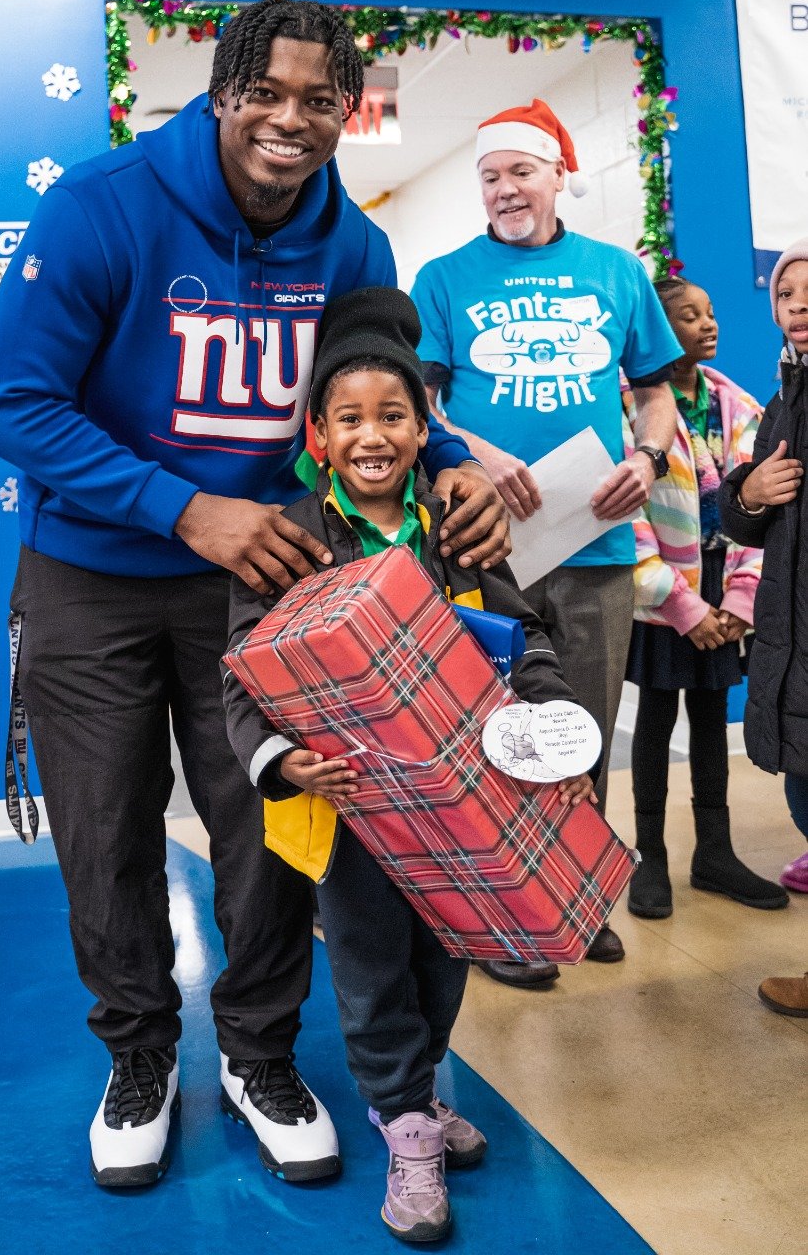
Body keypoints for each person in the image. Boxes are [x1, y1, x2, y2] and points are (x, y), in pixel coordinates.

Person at [0, 0, 510, 1189]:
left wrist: (453, 462)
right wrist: (182, 507)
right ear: (220, 90)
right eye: (264, 91)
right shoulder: (101, 206)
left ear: (347, 112)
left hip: (264, 583)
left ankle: (259, 1056)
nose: (288, 119)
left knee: (276, 825)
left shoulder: (353, 247)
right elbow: (11, 404)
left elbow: (378, 385)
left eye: (319, 99)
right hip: (91, 575)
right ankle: (139, 1057)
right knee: (105, 833)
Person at [224, 287, 595, 1243]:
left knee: (445, 960)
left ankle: (418, 1092)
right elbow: (242, 679)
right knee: (370, 969)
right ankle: (406, 1126)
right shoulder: (293, 538)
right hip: (351, 812)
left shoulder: (457, 529)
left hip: (459, 807)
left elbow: (525, 637)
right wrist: (285, 761)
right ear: (319, 436)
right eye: (349, 419)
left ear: (425, 429)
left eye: (393, 415)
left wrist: (552, 724)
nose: (373, 435)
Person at [411, 97, 681, 987]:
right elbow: (422, 404)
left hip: (596, 548)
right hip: (485, 548)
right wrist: (478, 455)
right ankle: (503, 919)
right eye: (489, 176)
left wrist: (647, 457)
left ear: (559, 176)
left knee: (581, 733)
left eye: (521, 172)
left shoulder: (616, 272)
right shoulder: (445, 279)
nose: (504, 190)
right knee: (494, 731)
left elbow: (655, 392)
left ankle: (577, 900)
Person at [625, 276, 787, 917]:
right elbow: (625, 518)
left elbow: (761, 505)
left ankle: (714, 853)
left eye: (710, 311)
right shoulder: (630, 409)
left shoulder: (736, 405)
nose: (708, 323)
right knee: (656, 722)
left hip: (723, 587)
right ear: (660, 333)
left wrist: (739, 601)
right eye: (689, 316)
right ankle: (649, 858)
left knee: (713, 721)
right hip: (664, 591)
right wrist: (682, 606)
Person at [719, 240, 808, 1018]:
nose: (799, 306)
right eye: (786, 295)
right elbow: (743, 522)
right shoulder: (783, 398)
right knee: (806, 805)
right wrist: (752, 490)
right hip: (793, 637)